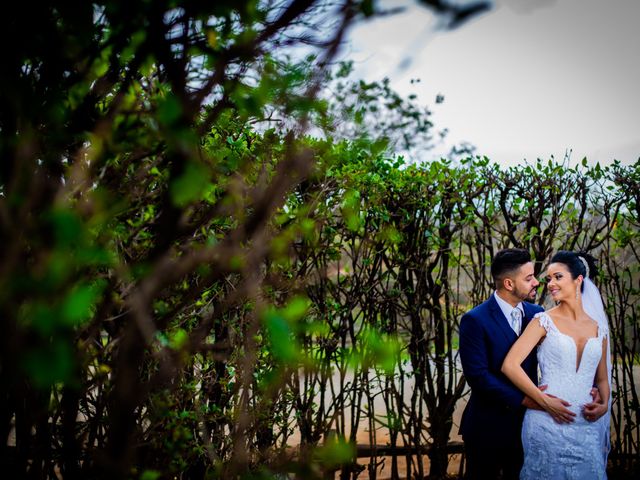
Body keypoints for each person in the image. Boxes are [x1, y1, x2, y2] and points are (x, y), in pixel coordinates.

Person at [502, 251, 611, 479]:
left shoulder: (599, 328)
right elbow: (510, 365)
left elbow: (601, 379)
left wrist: (604, 405)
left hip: (586, 426)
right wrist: (544, 401)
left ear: (578, 280)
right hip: (546, 424)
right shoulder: (543, 320)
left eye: (558, 277)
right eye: (549, 278)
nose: (550, 284)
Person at [459, 248, 559, 479]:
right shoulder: (475, 320)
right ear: (509, 284)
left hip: (529, 425)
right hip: (487, 426)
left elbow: (553, 358)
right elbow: (478, 376)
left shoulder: (537, 314)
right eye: (528, 278)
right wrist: (525, 399)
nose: (536, 282)